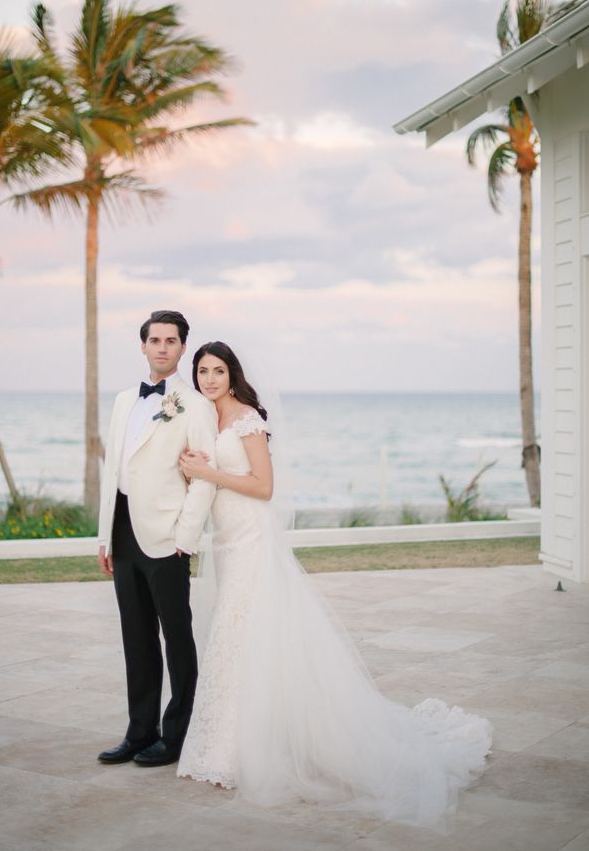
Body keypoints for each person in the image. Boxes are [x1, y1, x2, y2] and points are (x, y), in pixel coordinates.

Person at [176, 341, 493, 829]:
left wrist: (209, 471)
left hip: (253, 537)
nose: (210, 379)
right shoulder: (204, 418)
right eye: (203, 371)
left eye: (218, 370)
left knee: (244, 632)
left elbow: (265, 487)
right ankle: (225, 744)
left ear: (233, 374)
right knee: (232, 634)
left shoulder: (246, 420)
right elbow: (203, 478)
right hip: (226, 540)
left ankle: (247, 751)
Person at [96, 310, 217, 768]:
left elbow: (203, 478)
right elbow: (114, 471)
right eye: (155, 340)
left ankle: (176, 737)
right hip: (124, 531)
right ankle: (138, 732)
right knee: (136, 638)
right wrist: (105, 536)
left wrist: (185, 536)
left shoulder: (195, 404)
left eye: (171, 340)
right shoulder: (125, 400)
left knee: (177, 639)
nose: (162, 347)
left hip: (169, 537)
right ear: (143, 346)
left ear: (183, 348)